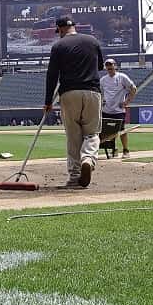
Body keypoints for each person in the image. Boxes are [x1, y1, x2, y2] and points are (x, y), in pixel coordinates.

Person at [43, 15, 105, 188]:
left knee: (73, 137)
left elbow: (52, 75)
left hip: (69, 93)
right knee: (92, 134)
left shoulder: (58, 46)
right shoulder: (92, 41)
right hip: (92, 91)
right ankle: (88, 159)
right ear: (74, 26)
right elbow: (99, 66)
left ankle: (74, 176)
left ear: (61, 29)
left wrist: (48, 101)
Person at [100, 59, 137, 158]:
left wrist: (127, 102)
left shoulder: (122, 77)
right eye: (107, 65)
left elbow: (133, 88)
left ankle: (126, 150)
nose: (109, 67)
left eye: (111, 65)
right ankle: (114, 149)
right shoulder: (103, 80)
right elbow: (101, 93)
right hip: (106, 110)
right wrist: (102, 101)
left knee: (121, 131)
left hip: (118, 110)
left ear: (115, 66)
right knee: (106, 131)